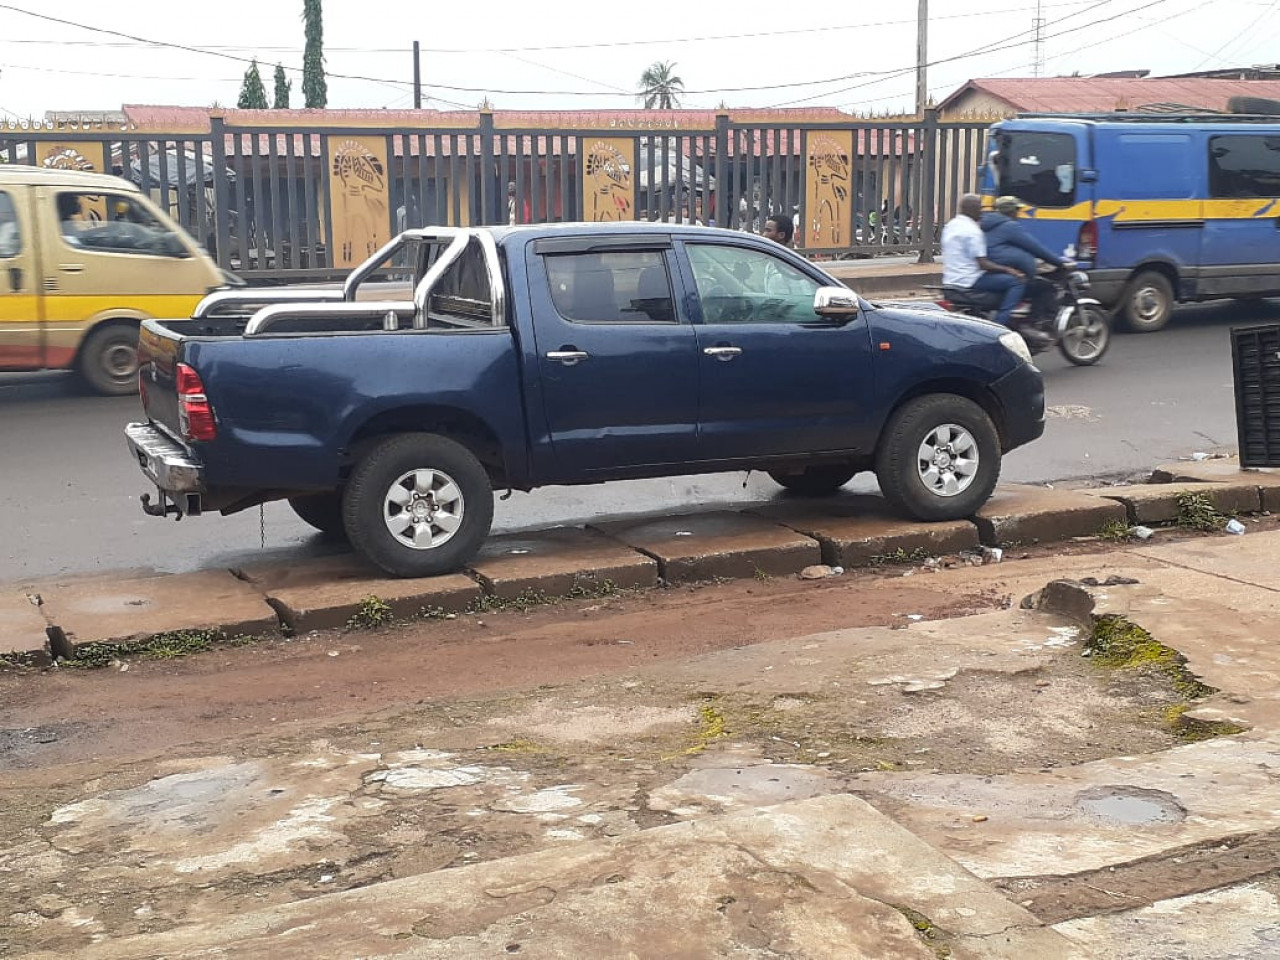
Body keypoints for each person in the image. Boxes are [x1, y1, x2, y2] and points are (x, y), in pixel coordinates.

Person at [980, 195, 1072, 323]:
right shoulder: (1009, 226)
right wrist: (1059, 262)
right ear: (1011, 212)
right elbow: (1036, 248)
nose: (1019, 214)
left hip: (995, 272)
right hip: (1004, 273)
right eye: (1017, 211)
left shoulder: (989, 224)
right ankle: (1035, 322)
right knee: (1045, 287)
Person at [941, 194, 1024, 328]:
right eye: (980, 208)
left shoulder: (950, 226)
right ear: (973, 209)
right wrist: (1008, 269)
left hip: (950, 280)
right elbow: (983, 264)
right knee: (1016, 282)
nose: (982, 212)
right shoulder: (973, 231)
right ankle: (1000, 324)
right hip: (971, 280)